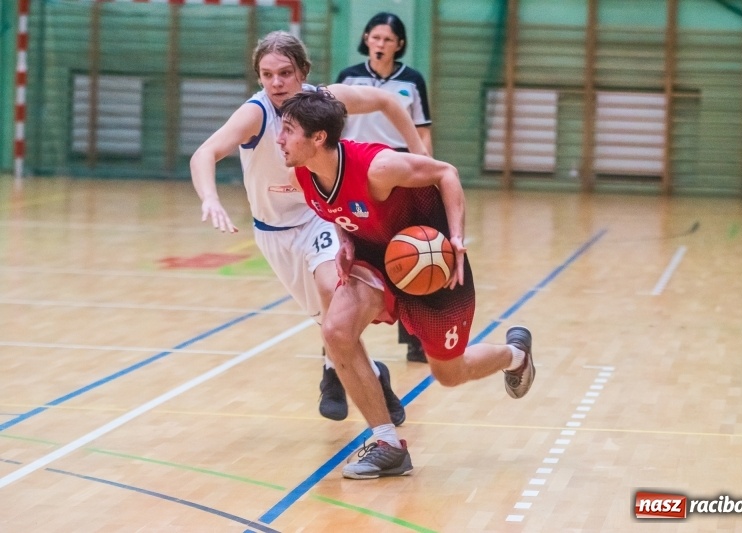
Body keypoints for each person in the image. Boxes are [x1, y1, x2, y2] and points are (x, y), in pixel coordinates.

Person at [277, 90, 535, 480]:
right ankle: (387, 444)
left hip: (428, 265)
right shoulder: (303, 173)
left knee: (449, 374)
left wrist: (458, 239)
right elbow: (336, 206)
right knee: (336, 331)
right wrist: (345, 239)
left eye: (288, 130)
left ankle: (515, 355)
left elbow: (445, 172)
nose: (279, 139)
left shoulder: (377, 167)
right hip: (375, 261)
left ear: (317, 139)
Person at [190, 31, 428, 426]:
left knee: (333, 289)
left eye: (285, 73)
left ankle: (339, 374)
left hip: (321, 212)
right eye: (267, 74)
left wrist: (418, 153)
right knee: (325, 318)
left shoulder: (325, 100)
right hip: (274, 231)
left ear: (304, 72)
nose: (276, 83)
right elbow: (206, 153)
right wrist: (209, 198)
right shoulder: (256, 113)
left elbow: (388, 100)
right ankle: (368, 372)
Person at [336, 12, 431, 363]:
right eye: (375, 38)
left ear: (399, 45)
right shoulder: (349, 77)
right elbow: (334, 127)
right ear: (366, 39)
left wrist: (426, 170)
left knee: (411, 253)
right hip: (355, 173)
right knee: (355, 253)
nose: (381, 44)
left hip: (399, 171)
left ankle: (415, 337)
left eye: (388, 39)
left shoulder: (412, 81)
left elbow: (422, 129)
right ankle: (341, 335)